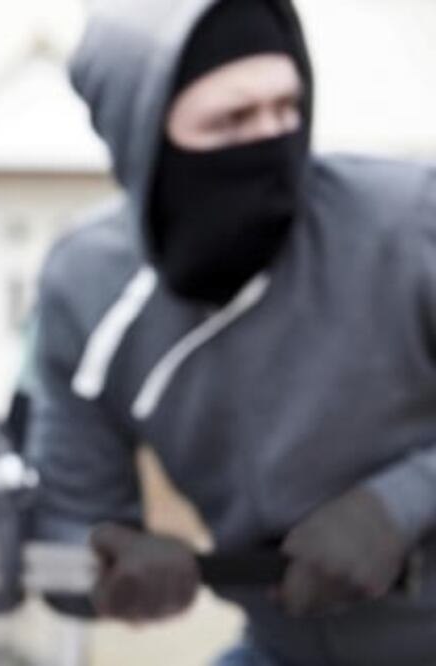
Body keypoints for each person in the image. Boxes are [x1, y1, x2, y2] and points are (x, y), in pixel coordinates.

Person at [23, 0, 436, 663]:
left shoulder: (410, 222)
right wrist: (108, 568)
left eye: (287, 107)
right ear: (144, 135)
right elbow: (63, 530)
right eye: (232, 119)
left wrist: (399, 504)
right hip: (285, 650)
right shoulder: (87, 290)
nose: (272, 140)